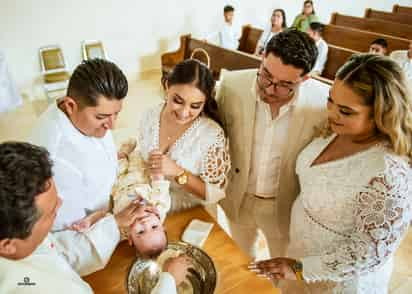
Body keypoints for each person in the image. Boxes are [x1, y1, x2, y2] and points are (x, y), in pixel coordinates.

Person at [249, 54, 412, 293]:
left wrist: (301, 268)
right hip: (298, 253)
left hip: (338, 280)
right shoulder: (335, 130)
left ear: (381, 113)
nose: (332, 113)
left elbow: (370, 252)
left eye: (346, 111)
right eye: (330, 101)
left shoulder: (388, 173)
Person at [216, 29, 329, 259]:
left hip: (284, 206)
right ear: (263, 55)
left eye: (284, 84)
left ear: (305, 78)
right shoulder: (231, 85)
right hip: (238, 197)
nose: (269, 89)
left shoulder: (322, 105)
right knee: (240, 260)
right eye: (265, 75)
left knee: (281, 269)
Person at [0, 142, 140, 293]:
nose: (60, 203)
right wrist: (168, 281)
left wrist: (114, 224)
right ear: (7, 245)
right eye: (50, 212)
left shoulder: (16, 234)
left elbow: (57, 253)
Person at [28, 58, 127, 232]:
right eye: (101, 117)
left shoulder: (81, 116)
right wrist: (113, 222)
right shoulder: (56, 160)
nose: (112, 126)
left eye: (116, 114)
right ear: (70, 105)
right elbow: (71, 230)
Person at [139, 59, 231, 212]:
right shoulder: (150, 115)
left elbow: (215, 194)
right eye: (178, 101)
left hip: (188, 214)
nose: (183, 113)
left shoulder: (211, 135)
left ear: (205, 102)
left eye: (195, 106)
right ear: (167, 86)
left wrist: (177, 172)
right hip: (149, 207)